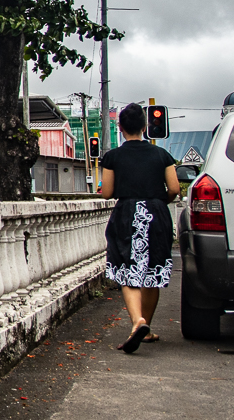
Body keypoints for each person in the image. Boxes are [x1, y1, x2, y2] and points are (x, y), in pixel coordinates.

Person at [98, 102, 180, 353]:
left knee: (128, 267)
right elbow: (175, 189)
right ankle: (146, 328)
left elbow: (108, 192)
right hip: (156, 213)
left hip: (127, 214)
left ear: (120, 127)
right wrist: (155, 201)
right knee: (152, 271)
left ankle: (137, 322)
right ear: (145, 127)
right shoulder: (161, 155)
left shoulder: (112, 157)